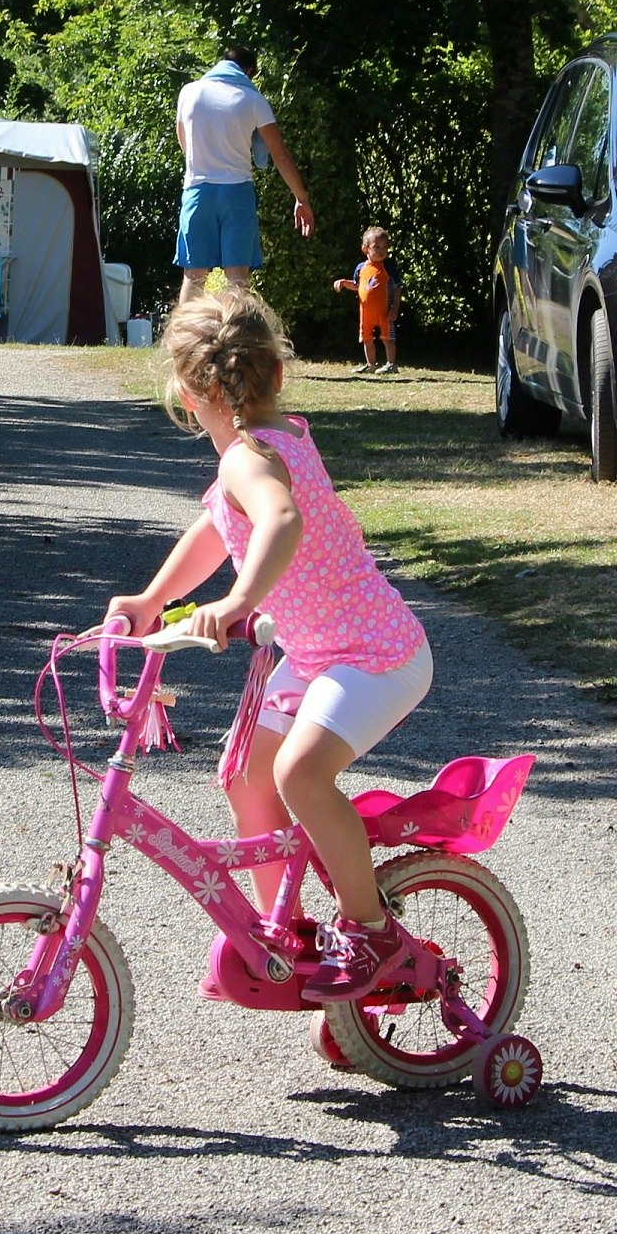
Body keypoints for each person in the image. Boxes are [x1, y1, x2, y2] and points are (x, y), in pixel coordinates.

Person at [106, 290, 434, 1002]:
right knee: (246, 774)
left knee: (298, 774)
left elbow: (279, 519)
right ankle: (276, 933)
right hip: (325, 654)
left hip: (375, 655)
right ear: (275, 375)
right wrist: (152, 600)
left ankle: (371, 929)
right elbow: (221, 529)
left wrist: (237, 602)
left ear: (191, 394)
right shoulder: (268, 442)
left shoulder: (248, 461)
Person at [174, 44, 315, 302]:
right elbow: (280, 155)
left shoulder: (189, 92)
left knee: (194, 275)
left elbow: (184, 142)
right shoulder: (253, 99)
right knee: (238, 276)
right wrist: (301, 199)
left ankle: (181, 342)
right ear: (248, 71)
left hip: (196, 191)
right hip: (236, 192)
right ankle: (238, 339)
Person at [333, 226, 398, 375]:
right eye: (376, 247)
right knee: (367, 338)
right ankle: (371, 364)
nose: (381, 251)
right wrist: (343, 282)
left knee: (387, 337)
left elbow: (397, 288)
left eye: (385, 247)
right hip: (366, 312)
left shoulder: (388, 267)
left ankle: (391, 364)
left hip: (385, 310)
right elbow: (357, 285)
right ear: (365, 249)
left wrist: (394, 308)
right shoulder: (361, 268)